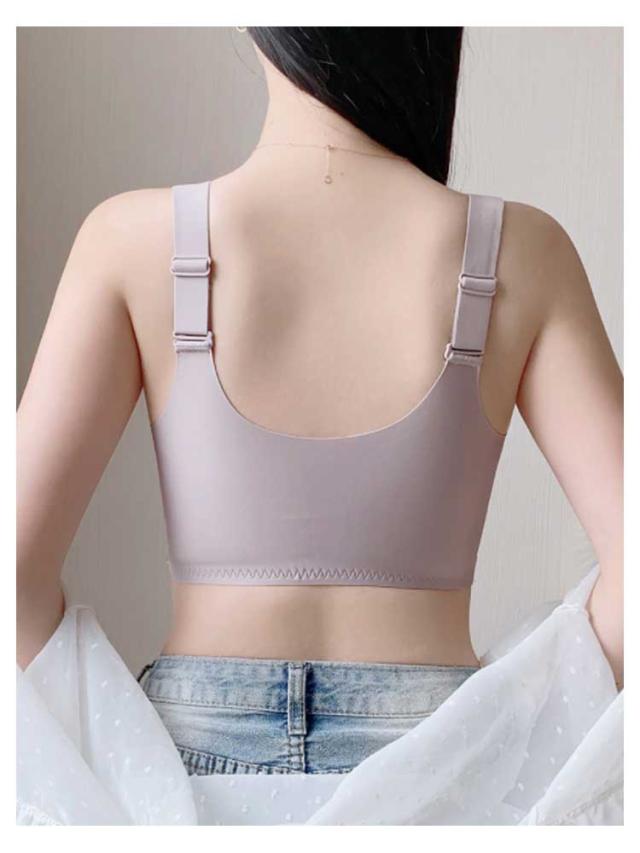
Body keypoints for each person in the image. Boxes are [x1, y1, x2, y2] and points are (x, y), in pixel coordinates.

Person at [16, 27, 623, 779]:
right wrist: (522, 732)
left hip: (185, 763)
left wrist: (117, 767)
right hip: (440, 759)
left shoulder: (128, 239)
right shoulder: (520, 251)